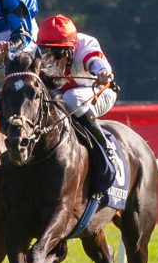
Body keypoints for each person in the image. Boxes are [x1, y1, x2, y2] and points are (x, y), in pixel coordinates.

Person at [36, 14, 118, 164]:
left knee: (71, 97)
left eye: (56, 54)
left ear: (70, 50)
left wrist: (102, 72)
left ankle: (104, 145)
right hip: (62, 96)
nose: (50, 59)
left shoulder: (85, 46)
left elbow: (96, 62)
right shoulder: (37, 53)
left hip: (100, 92)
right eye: (45, 52)